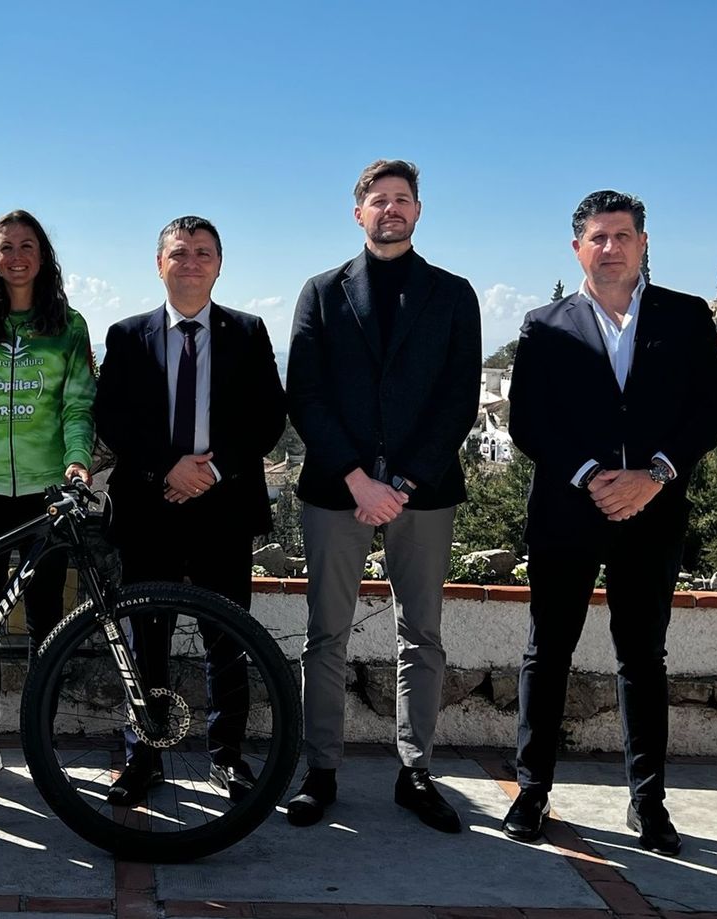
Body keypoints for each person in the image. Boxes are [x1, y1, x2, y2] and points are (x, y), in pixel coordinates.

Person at [502, 190, 717, 856]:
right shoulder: (544, 325)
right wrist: (591, 477)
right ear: (577, 248)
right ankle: (532, 791)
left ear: (643, 243)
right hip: (567, 513)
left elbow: (710, 410)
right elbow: (528, 421)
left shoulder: (685, 316)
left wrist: (654, 475)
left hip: (653, 512)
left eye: (622, 235)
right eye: (598, 237)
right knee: (547, 655)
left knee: (643, 659)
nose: (610, 247)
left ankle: (648, 802)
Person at [285, 160, 482, 832]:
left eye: (402, 198)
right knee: (325, 634)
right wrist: (356, 478)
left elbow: (458, 399)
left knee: (421, 634)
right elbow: (305, 393)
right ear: (358, 212)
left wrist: (401, 484)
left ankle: (416, 772)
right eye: (378, 199)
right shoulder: (321, 291)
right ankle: (320, 770)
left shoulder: (454, 294)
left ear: (418, 210)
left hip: (422, 492)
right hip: (335, 488)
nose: (390, 208)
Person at [93, 215, 286, 805]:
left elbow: (267, 417)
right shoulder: (127, 335)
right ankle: (144, 757)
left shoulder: (248, 332)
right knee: (145, 639)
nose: (192, 262)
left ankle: (226, 756)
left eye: (204, 252)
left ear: (219, 265)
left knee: (227, 639)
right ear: (160, 265)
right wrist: (167, 468)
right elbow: (113, 418)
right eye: (179, 253)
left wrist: (211, 471)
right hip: (148, 510)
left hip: (223, 510)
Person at [0, 209, 96, 789]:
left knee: (48, 620)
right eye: (6, 247)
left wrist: (77, 461)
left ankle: (40, 743)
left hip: (46, 494)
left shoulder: (69, 327)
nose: (17, 257)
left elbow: (78, 406)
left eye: (28, 246)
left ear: (43, 256)